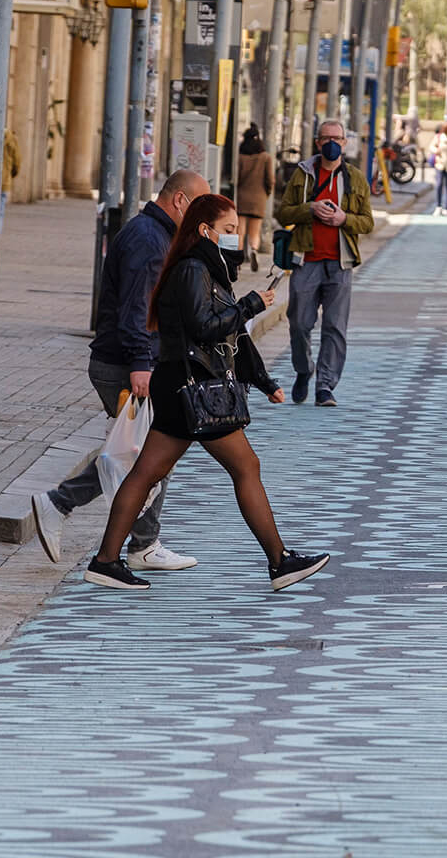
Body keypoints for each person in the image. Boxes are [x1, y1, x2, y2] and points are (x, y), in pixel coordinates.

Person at [82, 192, 330, 592]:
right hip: (194, 388)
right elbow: (206, 327)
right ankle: (279, 561)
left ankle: (106, 561)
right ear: (205, 230)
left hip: (182, 385)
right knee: (245, 467)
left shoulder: (205, 267)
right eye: (228, 230)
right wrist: (250, 305)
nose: (235, 237)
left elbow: (229, 335)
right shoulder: (193, 269)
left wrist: (265, 381)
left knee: (147, 472)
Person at [32, 169, 209, 572]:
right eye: (198, 206)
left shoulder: (156, 234)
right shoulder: (149, 241)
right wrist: (141, 364)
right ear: (180, 201)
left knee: (143, 453)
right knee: (145, 454)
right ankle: (69, 508)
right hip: (126, 364)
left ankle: (142, 542)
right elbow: (136, 311)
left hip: (134, 360)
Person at [274, 118, 376, 408]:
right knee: (299, 324)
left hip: (340, 263)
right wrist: (310, 209)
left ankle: (325, 386)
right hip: (306, 260)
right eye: (326, 138)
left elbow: (368, 222)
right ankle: (304, 370)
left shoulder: (356, 178)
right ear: (318, 143)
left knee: (335, 327)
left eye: (337, 138)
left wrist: (345, 219)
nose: (332, 143)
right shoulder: (303, 174)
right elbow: (283, 214)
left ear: (344, 143)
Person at [236, 126, 276, 267]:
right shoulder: (265, 157)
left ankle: (238, 259)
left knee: (239, 231)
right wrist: (267, 193)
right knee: (255, 231)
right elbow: (270, 179)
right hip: (259, 198)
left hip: (242, 197)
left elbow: (238, 178)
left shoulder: (241, 157)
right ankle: (253, 249)